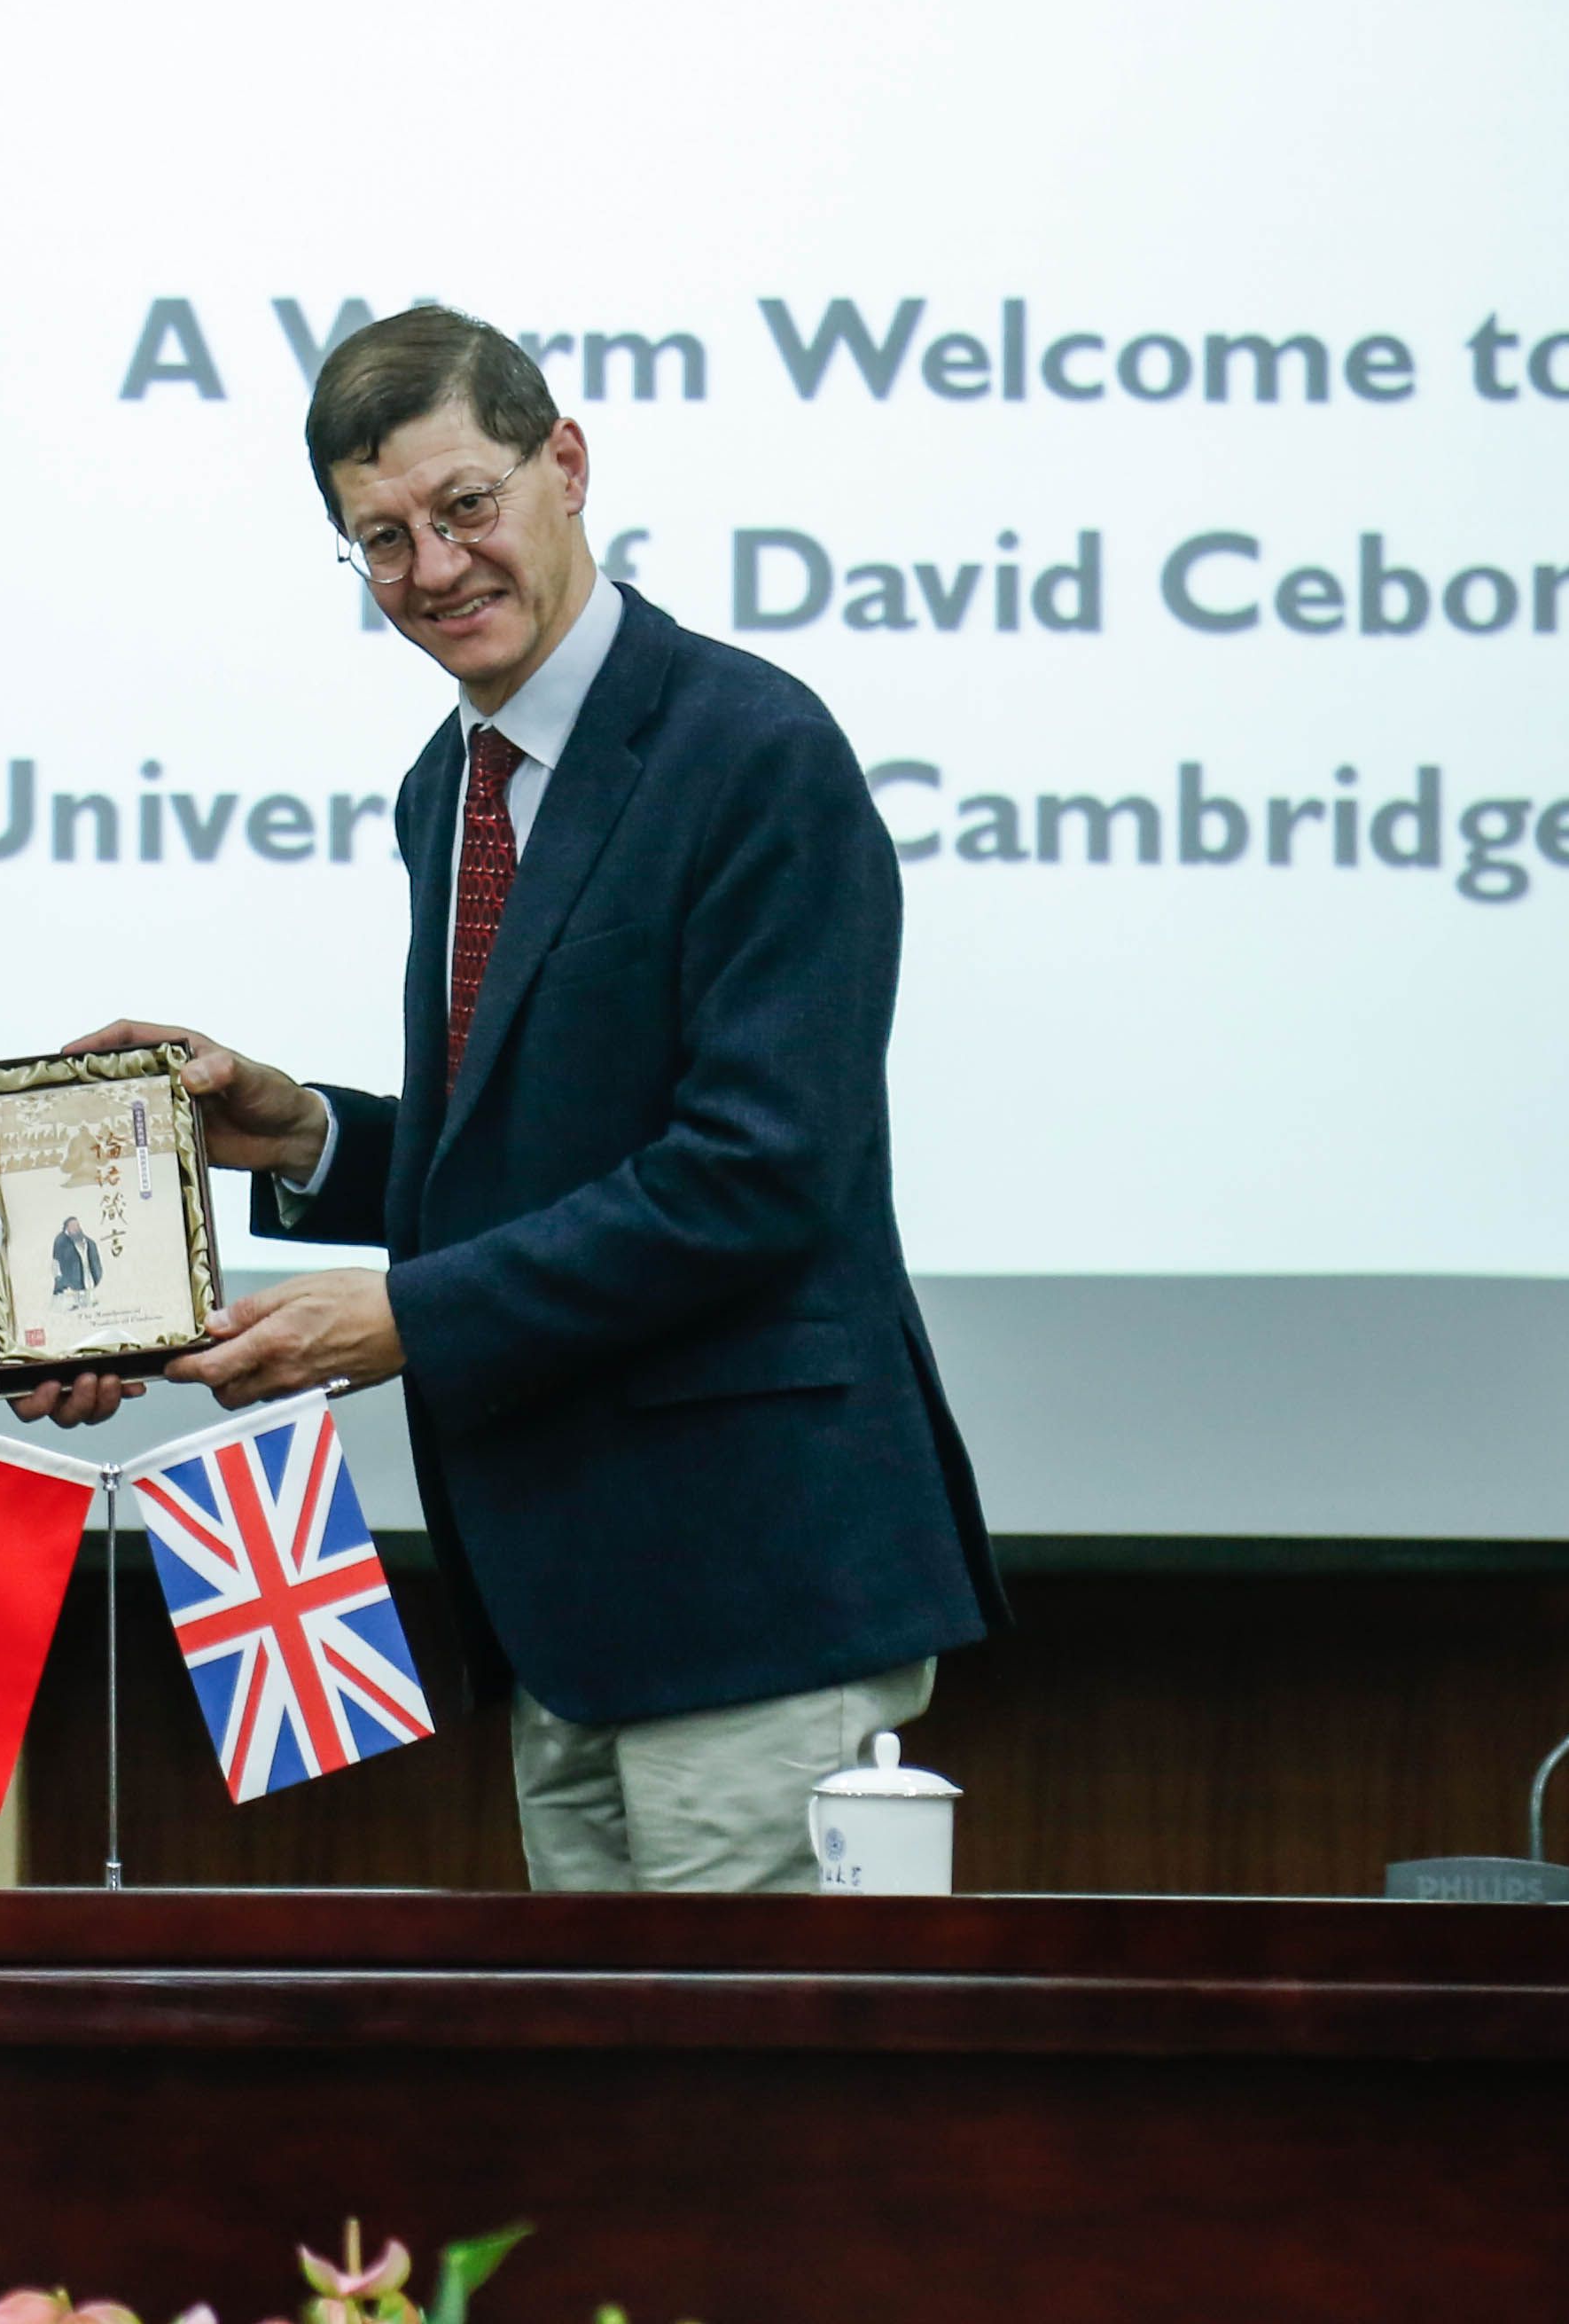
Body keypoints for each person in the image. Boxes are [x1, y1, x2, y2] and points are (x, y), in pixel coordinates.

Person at [69, 304, 998, 1892]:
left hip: (751, 1589)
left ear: (565, 463)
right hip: (559, 1600)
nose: (434, 569)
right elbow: (536, 1149)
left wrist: (409, 1318)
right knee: (603, 2062)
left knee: (734, 2058)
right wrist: (307, 1136)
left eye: (465, 507)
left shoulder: (754, 748)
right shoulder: (451, 785)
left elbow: (758, 1173)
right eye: (381, 540)